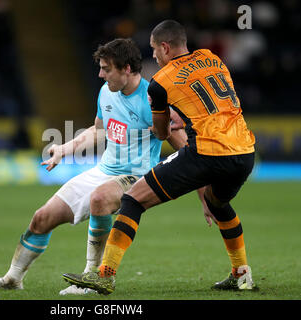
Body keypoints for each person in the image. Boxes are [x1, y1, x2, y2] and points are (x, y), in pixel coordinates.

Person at [0, 38, 194, 292]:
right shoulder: (106, 92)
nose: (100, 74)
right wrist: (65, 149)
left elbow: (180, 142)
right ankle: (12, 279)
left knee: (100, 198)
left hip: (137, 177)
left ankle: (91, 278)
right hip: (104, 171)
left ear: (127, 69)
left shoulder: (151, 99)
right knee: (41, 218)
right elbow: (99, 130)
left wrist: (202, 183)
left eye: (106, 69)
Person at [63, 20, 257, 294]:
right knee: (219, 204)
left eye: (154, 50)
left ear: (165, 48)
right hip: (244, 150)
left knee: (133, 198)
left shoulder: (159, 83)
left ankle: (104, 275)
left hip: (207, 151)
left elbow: (161, 131)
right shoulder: (212, 58)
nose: (152, 55)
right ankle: (241, 274)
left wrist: (173, 123)